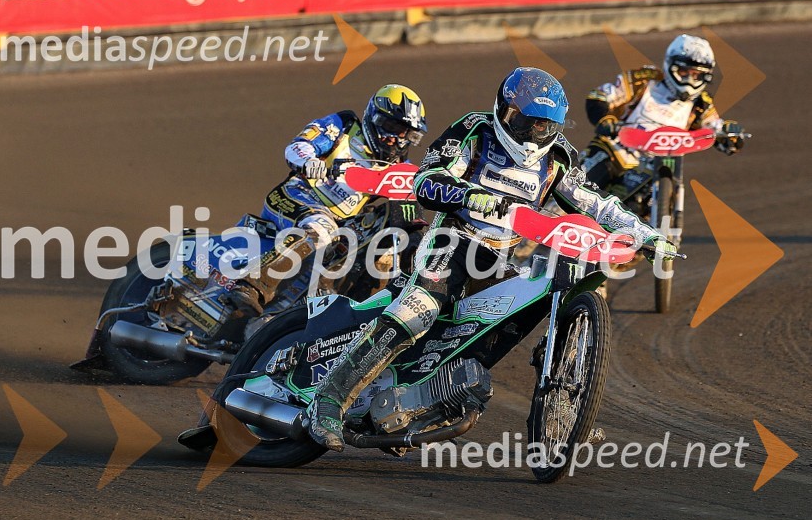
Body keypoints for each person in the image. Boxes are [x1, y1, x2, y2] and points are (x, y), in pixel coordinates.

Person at [306, 67, 676, 451]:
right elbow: (426, 178)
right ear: (504, 110)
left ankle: (560, 413)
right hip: (453, 241)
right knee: (420, 309)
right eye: (525, 121)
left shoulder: (559, 156)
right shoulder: (474, 129)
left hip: (501, 259)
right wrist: (468, 194)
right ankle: (329, 399)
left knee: (509, 326)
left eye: (544, 125)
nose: (533, 133)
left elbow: (596, 203)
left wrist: (645, 233)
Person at [255, 85, 427, 306]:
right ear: (373, 117)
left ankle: (357, 308)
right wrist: (309, 162)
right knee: (322, 229)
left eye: (404, 133)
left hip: (340, 225)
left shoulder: (400, 168)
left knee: (386, 247)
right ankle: (252, 287)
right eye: (391, 127)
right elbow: (298, 145)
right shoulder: (344, 125)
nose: (395, 138)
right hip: (296, 196)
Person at [580, 34, 746, 195]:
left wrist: (730, 135)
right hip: (617, 150)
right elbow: (599, 95)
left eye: (696, 75)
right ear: (671, 66)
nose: (689, 80)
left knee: (668, 189)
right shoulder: (643, 80)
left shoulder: (701, 104)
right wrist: (605, 120)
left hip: (659, 166)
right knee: (580, 187)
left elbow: (714, 126)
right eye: (684, 72)